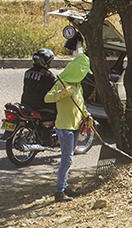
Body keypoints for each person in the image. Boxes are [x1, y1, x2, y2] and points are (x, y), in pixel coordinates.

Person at [44, 53, 92, 202]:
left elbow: (81, 104)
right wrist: (61, 94)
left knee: (68, 159)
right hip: (65, 127)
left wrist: (86, 115)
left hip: (75, 125)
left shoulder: (78, 85)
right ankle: (59, 192)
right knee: (67, 159)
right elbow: (47, 98)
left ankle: (65, 186)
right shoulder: (62, 82)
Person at [2, 48, 56, 139]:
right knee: (56, 112)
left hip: (26, 104)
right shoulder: (47, 76)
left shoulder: (28, 72)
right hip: (39, 107)